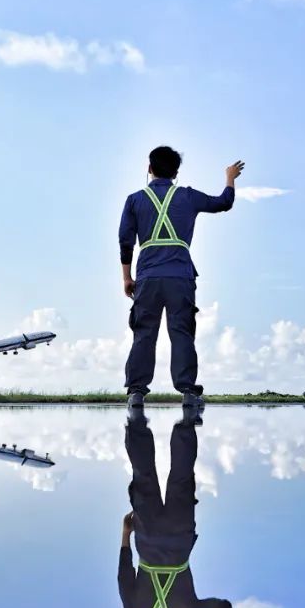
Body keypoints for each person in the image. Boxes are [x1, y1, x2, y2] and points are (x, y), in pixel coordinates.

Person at [119, 146, 245, 410]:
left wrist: (127, 278)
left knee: (144, 334)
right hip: (180, 277)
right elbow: (223, 202)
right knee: (182, 333)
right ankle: (188, 391)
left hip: (148, 278)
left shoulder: (134, 200)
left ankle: (136, 392)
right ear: (176, 173)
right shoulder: (187, 196)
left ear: (149, 168)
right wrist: (230, 177)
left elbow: (126, 241)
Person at [118, 411, 242, 608]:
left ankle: (187, 418)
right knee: (143, 475)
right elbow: (124, 574)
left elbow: (223, 607)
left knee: (182, 476)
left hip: (180, 535)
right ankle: (136, 414)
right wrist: (126, 534)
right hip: (148, 536)